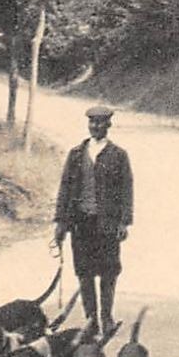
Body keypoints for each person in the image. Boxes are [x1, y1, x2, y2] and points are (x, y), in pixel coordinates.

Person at [52, 103, 134, 336]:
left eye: (100, 123)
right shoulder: (76, 154)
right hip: (80, 224)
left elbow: (126, 189)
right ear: (88, 124)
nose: (96, 127)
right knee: (84, 272)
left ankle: (106, 317)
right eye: (92, 122)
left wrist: (124, 222)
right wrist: (60, 223)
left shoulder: (118, 155)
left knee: (108, 271)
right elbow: (65, 189)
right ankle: (91, 320)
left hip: (107, 224)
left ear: (109, 125)